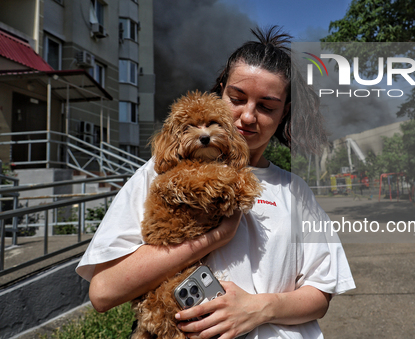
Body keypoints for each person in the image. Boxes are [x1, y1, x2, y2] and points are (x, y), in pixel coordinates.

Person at [76, 26, 356, 339]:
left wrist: (258, 308)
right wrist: (216, 237)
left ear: (285, 112)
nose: (248, 117)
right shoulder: (160, 173)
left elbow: (320, 294)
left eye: (266, 106)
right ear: (219, 92)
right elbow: (103, 292)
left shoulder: (294, 191)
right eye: (236, 98)